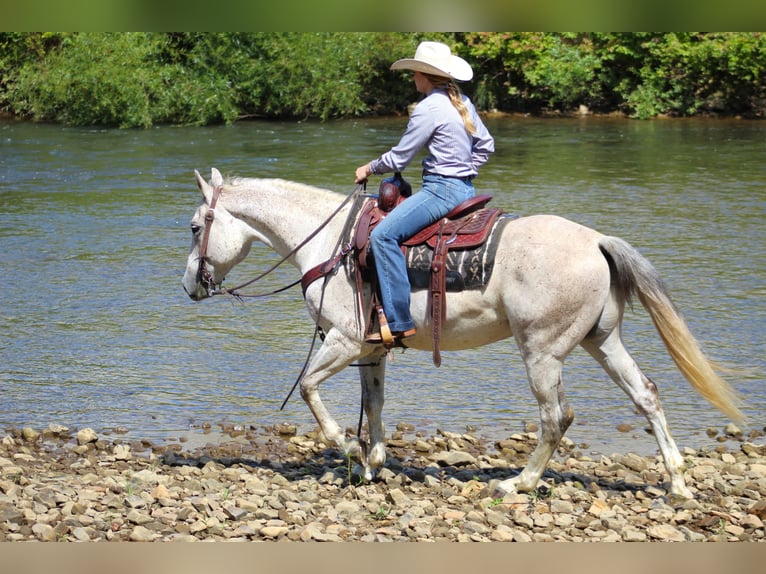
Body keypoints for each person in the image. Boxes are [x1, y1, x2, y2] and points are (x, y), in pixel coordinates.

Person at [355, 41, 495, 344]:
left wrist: (369, 168)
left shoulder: (428, 108)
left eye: (414, 73)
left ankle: (398, 321)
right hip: (465, 189)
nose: (412, 79)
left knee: (383, 236)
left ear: (422, 75)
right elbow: (486, 145)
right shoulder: (463, 102)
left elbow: (400, 157)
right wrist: (465, 169)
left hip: (440, 190)